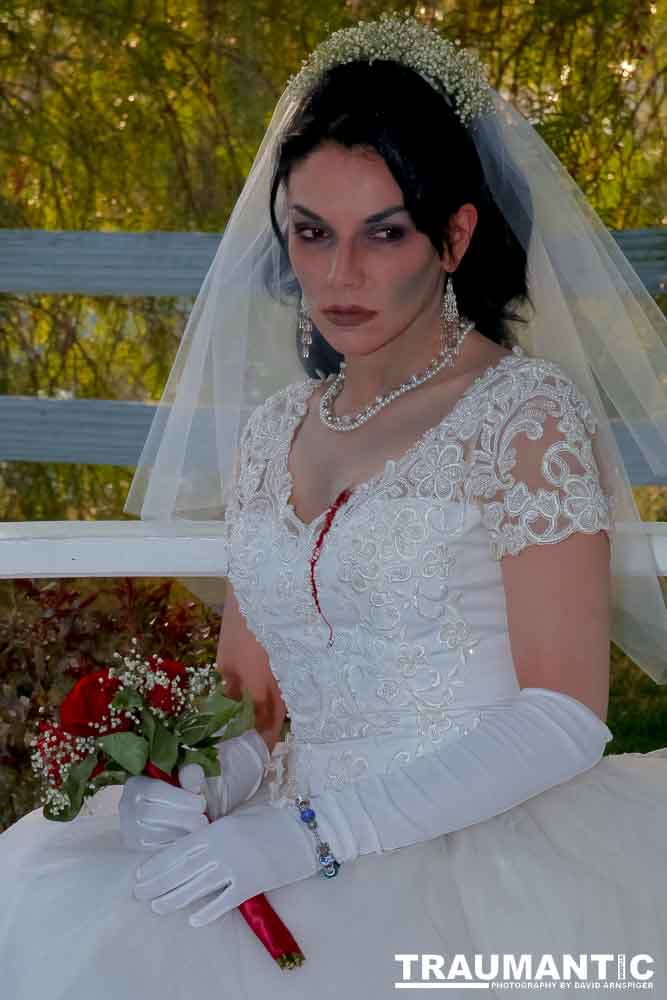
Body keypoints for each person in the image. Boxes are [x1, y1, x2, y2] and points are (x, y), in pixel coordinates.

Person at [1, 14, 667, 998]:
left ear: (454, 236)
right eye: (311, 233)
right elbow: (249, 699)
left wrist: (312, 835)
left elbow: (563, 716)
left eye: (381, 234)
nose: (337, 274)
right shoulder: (272, 430)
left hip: (475, 858)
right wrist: (199, 783)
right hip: (280, 834)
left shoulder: (522, 417)